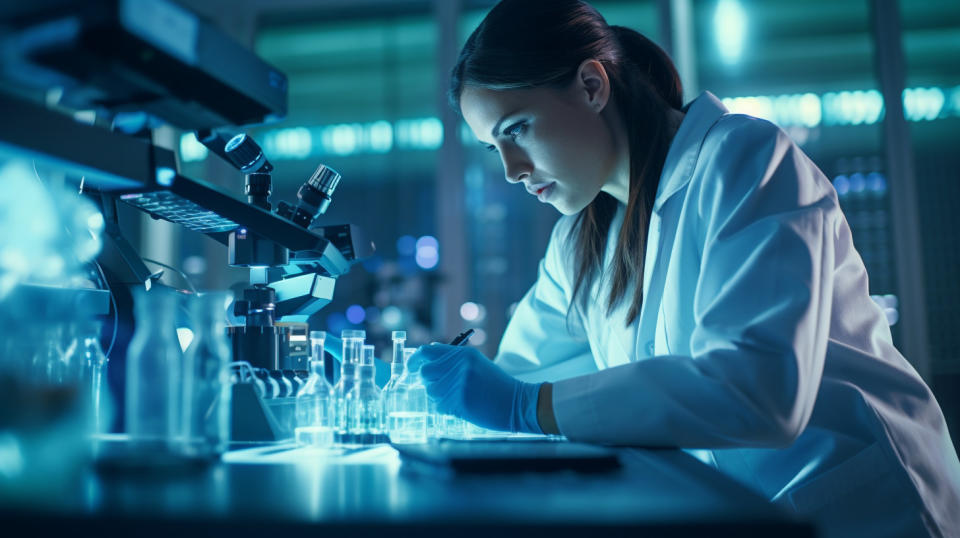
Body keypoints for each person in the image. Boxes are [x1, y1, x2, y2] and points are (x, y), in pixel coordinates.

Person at [411, 1, 960, 536]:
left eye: (517, 129)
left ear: (591, 86)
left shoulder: (745, 160)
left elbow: (759, 390)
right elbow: (521, 377)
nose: (510, 171)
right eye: (492, 147)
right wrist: (412, 383)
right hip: (736, 510)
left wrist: (523, 405)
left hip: (863, 509)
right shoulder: (580, 239)